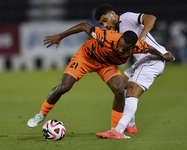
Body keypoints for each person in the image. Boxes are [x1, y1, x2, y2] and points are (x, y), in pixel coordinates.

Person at [27, 22, 173, 131]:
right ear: (120, 37)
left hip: (106, 65)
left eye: (125, 49)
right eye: (121, 45)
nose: (121, 49)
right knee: (64, 87)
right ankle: (41, 114)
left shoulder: (137, 46)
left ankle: (115, 130)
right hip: (85, 58)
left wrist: (164, 55)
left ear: (132, 46)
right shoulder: (107, 36)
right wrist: (60, 36)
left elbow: (151, 47)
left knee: (119, 88)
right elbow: (84, 26)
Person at [94, 4, 175, 138]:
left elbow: (150, 18)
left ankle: (118, 131)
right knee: (121, 85)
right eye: (102, 23)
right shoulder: (114, 33)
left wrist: (142, 36)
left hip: (152, 60)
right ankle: (130, 125)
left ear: (113, 14)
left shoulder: (125, 18)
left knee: (132, 91)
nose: (105, 25)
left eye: (105, 20)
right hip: (143, 61)